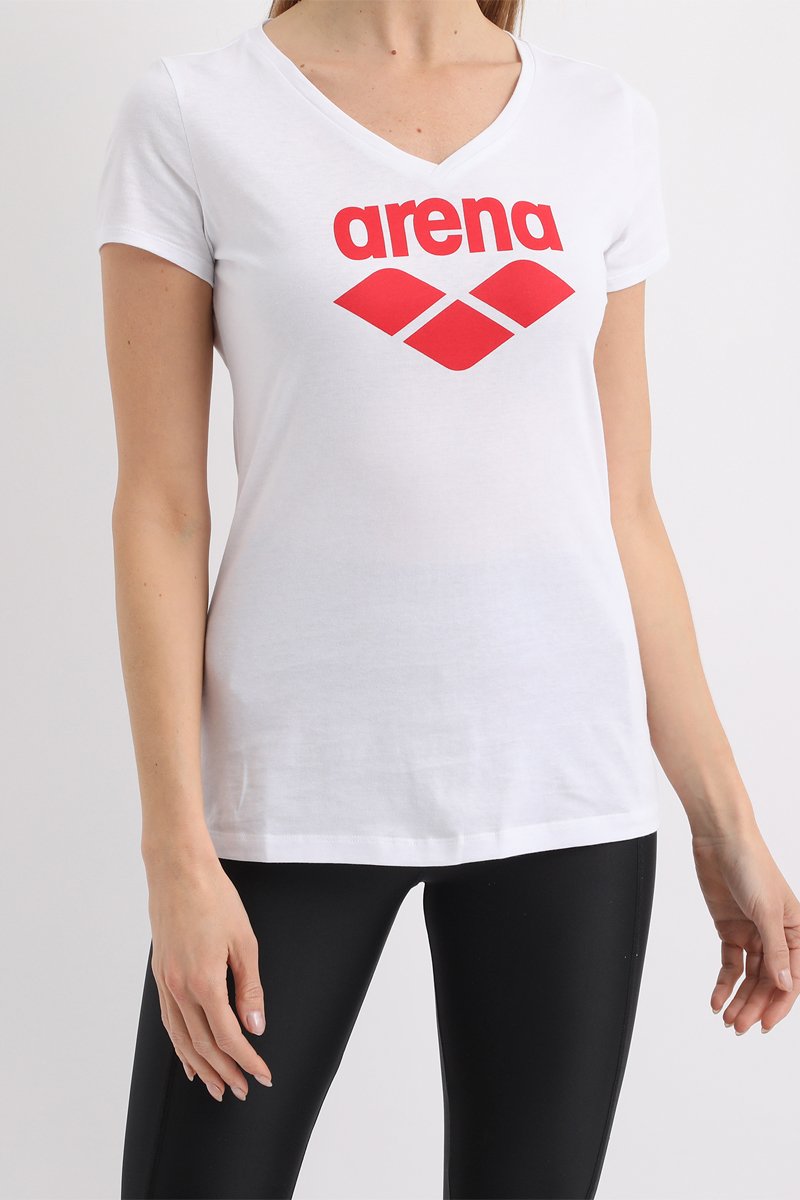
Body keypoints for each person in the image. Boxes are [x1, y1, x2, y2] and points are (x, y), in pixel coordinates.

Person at [95, 1, 799, 1197]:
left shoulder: (599, 122)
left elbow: (624, 506)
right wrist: (174, 852)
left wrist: (722, 818)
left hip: (564, 797)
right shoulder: (194, 114)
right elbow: (160, 509)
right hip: (288, 799)